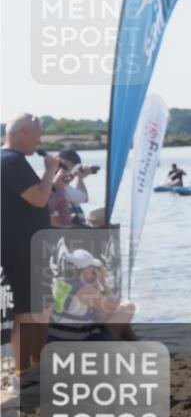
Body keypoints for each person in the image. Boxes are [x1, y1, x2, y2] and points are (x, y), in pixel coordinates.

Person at [2, 114, 60, 393]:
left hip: (24, 248)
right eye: (37, 134)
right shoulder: (11, 160)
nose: (40, 140)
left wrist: (51, 179)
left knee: (37, 309)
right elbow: (39, 198)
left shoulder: (10, 160)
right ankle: (23, 375)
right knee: (26, 312)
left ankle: (33, 369)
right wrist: (49, 170)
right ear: (23, 132)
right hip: (21, 250)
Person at [47, 249, 135, 342]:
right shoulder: (85, 290)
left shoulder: (59, 283)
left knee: (105, 315)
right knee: (128, 306)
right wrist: (103, 282)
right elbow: (114, 306)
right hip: (77, 341)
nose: (94, 271)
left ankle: (135, 342)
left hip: (58, 338)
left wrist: (94, 283)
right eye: (92, 268)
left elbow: (100, 313)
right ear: (85, 270)